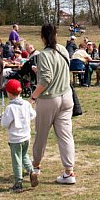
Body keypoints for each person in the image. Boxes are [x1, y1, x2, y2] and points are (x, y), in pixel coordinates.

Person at [29, 24, 76, 186]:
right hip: (66, 96)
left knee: (41, 134)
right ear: (55, 35)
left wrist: (33, 97)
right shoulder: (63, 50)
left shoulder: (44, 55)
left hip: (50, 98)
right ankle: (69, 171)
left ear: (42, 37)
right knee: (65, 135)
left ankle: (35, 165)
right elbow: (59, 70)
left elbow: (47, 79)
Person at [1, 79, 37, 193]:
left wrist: (3, 116)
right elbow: (33, 114)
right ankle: (32, 171)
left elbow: (4, 124)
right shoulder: (26, 104)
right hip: (26, 137)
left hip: (15, 139)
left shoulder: (10, 108)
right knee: (24, 155)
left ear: (8, 93)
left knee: (16, 159)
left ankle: (18, 183)